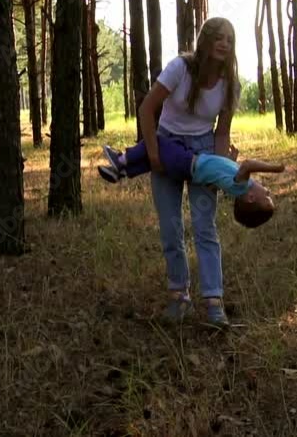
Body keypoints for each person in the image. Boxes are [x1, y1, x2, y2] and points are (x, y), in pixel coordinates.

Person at [132, 17, 241, 327]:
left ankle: (213, 302)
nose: (224, 44)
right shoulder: (180, 67)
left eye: (229, 40)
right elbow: (147, 108)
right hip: (167, 145)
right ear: (205, 40)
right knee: (170, 226)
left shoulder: (230, 83)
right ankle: (179, 296)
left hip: (204, 150)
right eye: (218, 37)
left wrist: (220, 170)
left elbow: (222, 134)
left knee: (205, 226)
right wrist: (153, 154)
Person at [97, 140, 283, 228]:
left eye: (267, 197)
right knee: (154, 160)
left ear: (250, 198)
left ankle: (121, 159)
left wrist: (276, 168)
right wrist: (231, 160)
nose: (268, 190)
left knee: (156, 142)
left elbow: (249, 164)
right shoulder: (234, 186)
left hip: (187, 163)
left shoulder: (242, 185)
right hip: (186, 167)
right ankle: (121, 173)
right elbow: (218, 175)